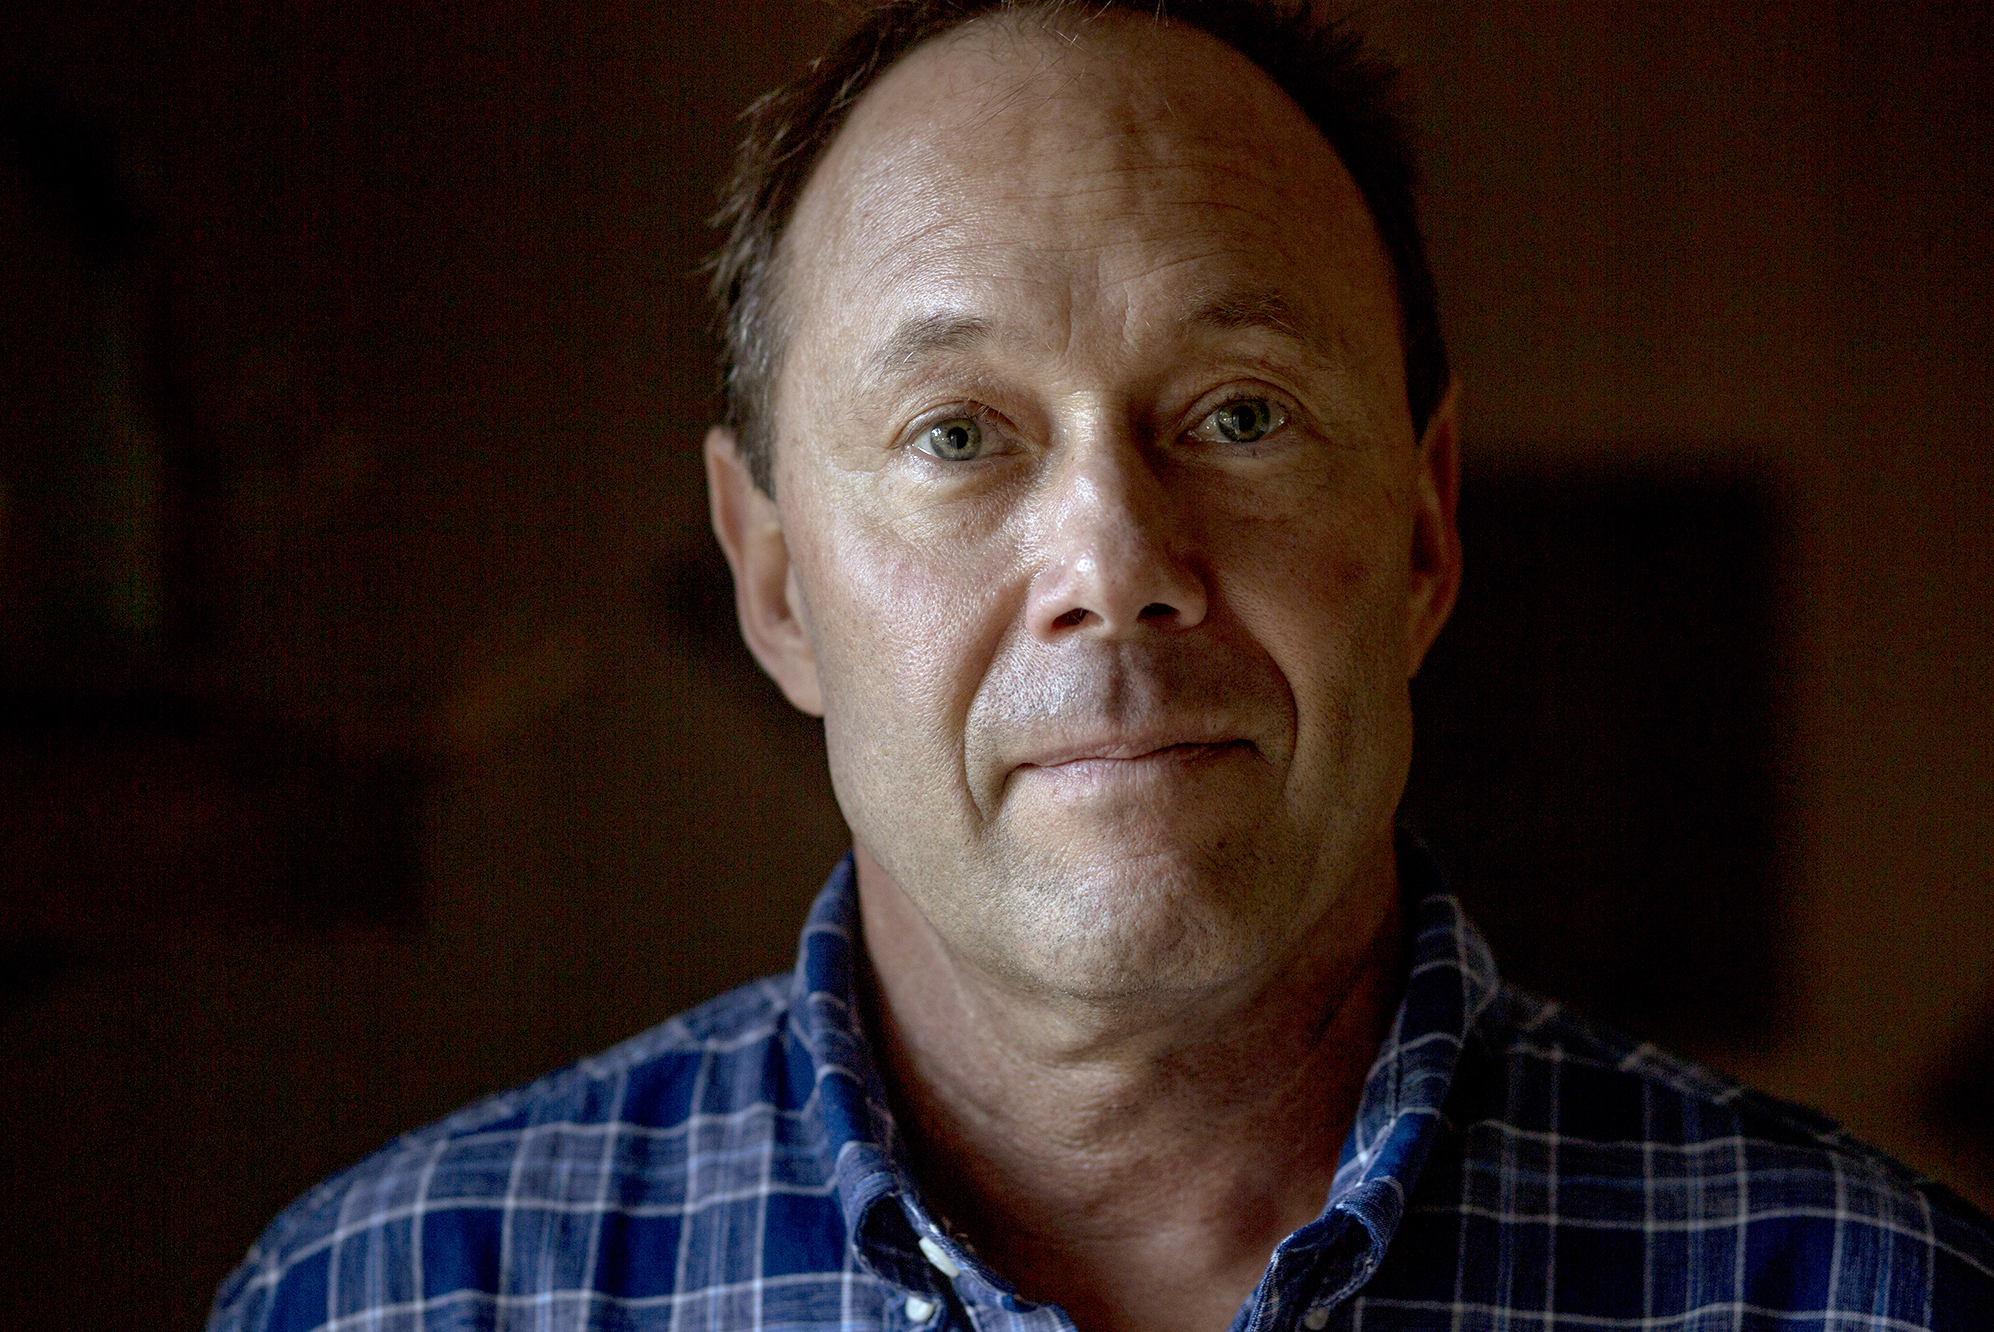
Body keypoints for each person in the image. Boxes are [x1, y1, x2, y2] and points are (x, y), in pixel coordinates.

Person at [209, 1, 1994, 1328]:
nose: (1115, 566)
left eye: (1237, 414)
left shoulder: (1872, 1304)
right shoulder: (389, 1301)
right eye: (958, 437)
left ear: (1428, 531)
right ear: (772, 579)